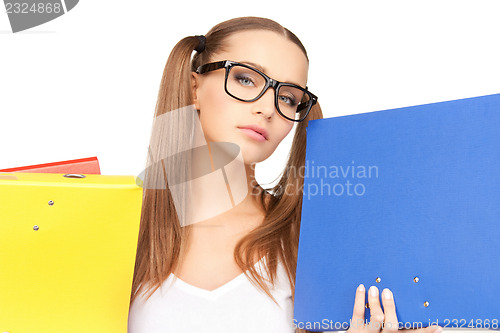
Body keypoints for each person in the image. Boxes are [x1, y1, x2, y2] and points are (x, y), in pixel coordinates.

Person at [127, 16, 444, 333]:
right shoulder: (124, 223)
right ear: (194, 88)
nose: (267, 108)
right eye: (246, 79)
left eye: (287, 98)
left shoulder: (310, 238)